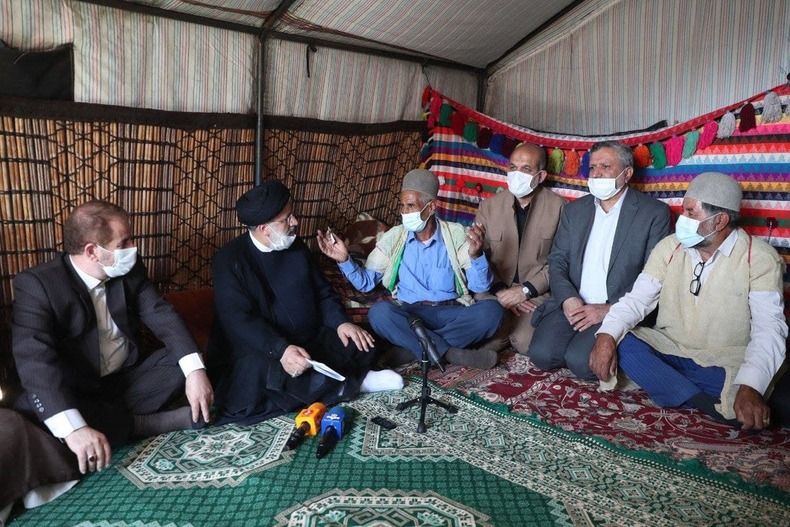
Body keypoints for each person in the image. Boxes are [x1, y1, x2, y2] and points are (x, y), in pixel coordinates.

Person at [12, 200, 213, 475]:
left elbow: (160, 313)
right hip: (77, 391)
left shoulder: (128, 268)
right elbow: (34, 360)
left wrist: (195, 373)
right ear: (92, 251)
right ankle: (142, 425)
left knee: (191, 355)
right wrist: (76, 429)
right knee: (35, 405)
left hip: (126, 381)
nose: (133, 248)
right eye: (124, 242)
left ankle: (113, 422)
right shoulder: (37, 285)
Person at [590, 172, 788, 429]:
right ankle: (702, 401)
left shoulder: (760, 258)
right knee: (621, 342)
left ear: (720, 220)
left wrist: (750, 386)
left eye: (690, 212)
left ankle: (671, 387)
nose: (681, 219)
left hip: (726, 360)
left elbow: (769, 328)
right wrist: (605, 337)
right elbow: (637, 300)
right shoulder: (669, 247)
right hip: (671, 348)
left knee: (758, 383)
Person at [208, 181, 402, 425]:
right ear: (264, 228)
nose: (295, 222)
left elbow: (322, 293)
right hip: (263, 347)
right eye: (286, 219)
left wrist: (340, 323)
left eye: (292, 215)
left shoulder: (296, 247)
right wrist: (281, 350)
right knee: (254, 382)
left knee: (360, 342)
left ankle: (331, 385)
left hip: (308, 339)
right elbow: (238, 321)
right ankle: (351, 384)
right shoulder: (229, 260)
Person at [317, 168, 504, 369]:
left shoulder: (456, 235)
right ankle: (452, 354)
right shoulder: (394, 237)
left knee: (492, 311)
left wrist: (476, 256)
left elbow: (480, 287)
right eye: (403, 206)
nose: (405, 212)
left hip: (452, 312)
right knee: (379, 313)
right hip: (412, 315)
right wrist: (344, 259)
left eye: (411, 205)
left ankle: (413, 350)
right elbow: (366, 283)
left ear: (431, 207)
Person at [529, 141, 671, 379]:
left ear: (627, 174)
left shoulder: (654, 213)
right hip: (574, 303)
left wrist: (608, 310)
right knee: (541, 355)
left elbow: (654, 276)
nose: (596, 174)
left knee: (581, 362)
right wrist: (568, 298)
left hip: (614, 308)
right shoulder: (575, 210)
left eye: (605, 166)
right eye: (593, 167)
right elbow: (558, 260)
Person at [474, 142, 566, 355]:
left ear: (541, 176)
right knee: (484, 341)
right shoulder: (489, 207)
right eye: (513, 168)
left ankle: (508, 329)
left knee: (524, 342)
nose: (517, 174)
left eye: (526, 169)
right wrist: (502, 292)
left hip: (535, 292)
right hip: (494, 290)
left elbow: (561, 261)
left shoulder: (559, 208)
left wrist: (525, 291)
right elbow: (479, 258)